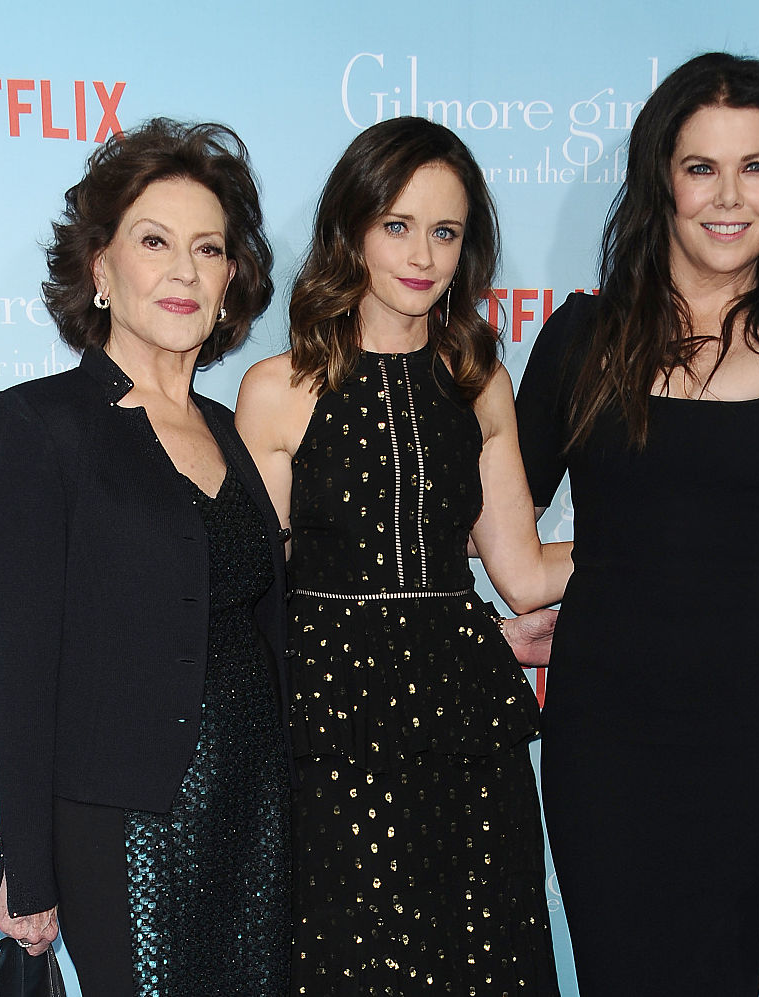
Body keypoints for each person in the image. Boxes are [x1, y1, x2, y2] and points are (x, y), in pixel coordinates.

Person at [516, 52, 759, 995]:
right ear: (662, 183)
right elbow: (501, 524)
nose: (730, 197)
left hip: (755, 736)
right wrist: (535, 597)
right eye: (701, 167)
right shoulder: (581, 340)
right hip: (605, 735)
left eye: (755, 167)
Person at [236, 116, 570, 995]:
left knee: (483, 963)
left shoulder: (479, 379)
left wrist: (664, 530)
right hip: (332, 731)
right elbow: (255, 596)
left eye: (446, 231)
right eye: (397, 224)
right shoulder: (278, 389)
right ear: (351, 228)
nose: (423, 253)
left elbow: (525, 572)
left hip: (464, 730)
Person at [0, 119, 290, 996]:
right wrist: (27, 870)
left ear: (232, 279)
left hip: (259, 808)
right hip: (120, 822)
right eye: (155, 242)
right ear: (103, 268)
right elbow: (22, 660)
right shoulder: (41, 424)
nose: (185, 270)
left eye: (208, 248)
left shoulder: (232, 430)